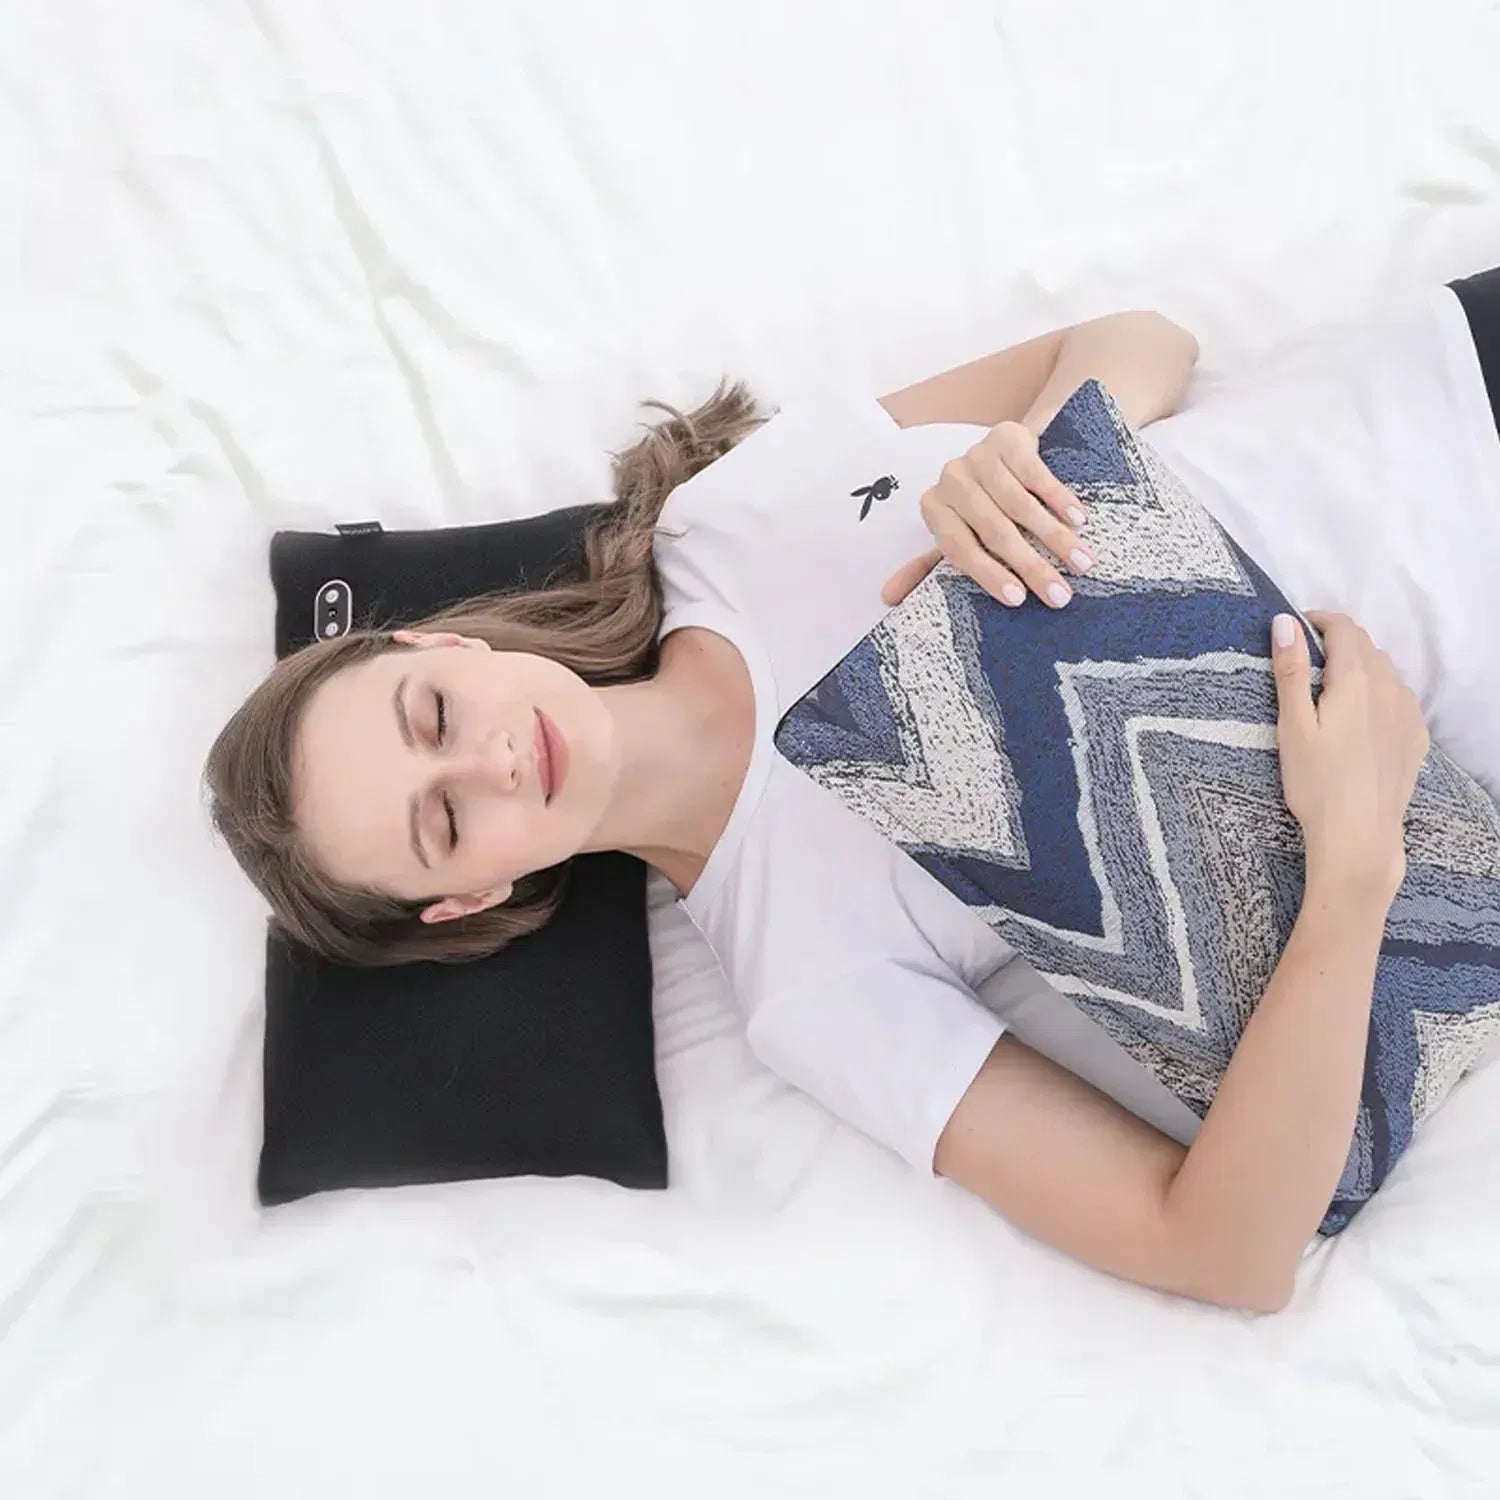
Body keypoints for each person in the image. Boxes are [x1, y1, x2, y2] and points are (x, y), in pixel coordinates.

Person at [204, 266, 1500, 1315]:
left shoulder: (719, 519)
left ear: (445, 647)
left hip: (1449, 379)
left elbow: (1143, 337)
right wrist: (1353, 873)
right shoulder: (803, 984)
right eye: (445, 822)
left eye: (431, 717)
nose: (484, 761)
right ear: (469, 894)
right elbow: (1218, 1253)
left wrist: (1034, 460)